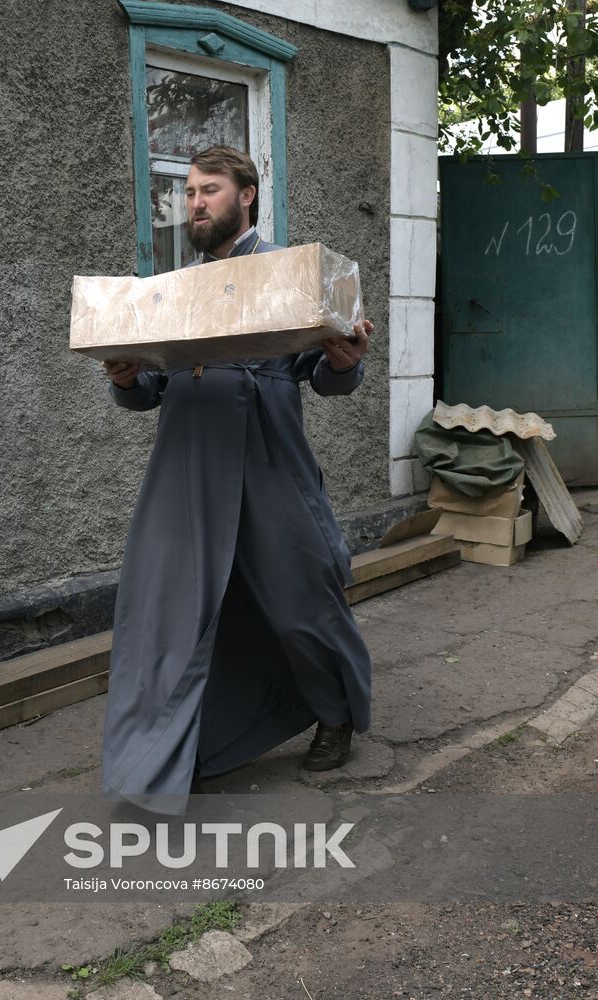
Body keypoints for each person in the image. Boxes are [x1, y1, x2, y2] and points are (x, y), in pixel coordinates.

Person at [101, 146, 376, 811]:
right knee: (169, 620)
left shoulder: (294, 275)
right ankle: (167, 757)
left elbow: (332, 376)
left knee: (302, 604)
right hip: (186, 472)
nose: (195, 202)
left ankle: (335, 711)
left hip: (269, 463)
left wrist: (345, 359)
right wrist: (127, 377)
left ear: (246, 195)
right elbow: (149, 389)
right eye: (190, 192)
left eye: (210, 189)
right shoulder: (171, 291)